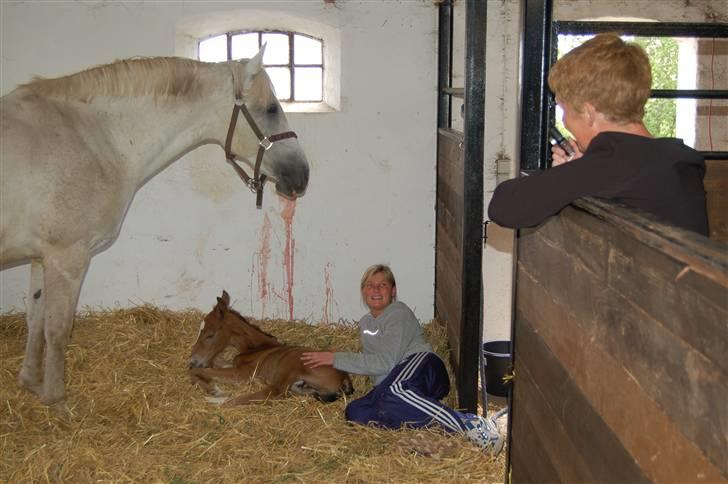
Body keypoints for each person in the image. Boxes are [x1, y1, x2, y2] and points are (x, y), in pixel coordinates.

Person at [488, 33, 709, 236]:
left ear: (588, 112)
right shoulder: (671, 157)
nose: (564, 121)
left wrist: (574, 172)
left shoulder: (614, 163)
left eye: (564, 109)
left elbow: (505, 206)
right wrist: (582, 168)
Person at [301, 264, 503, 455]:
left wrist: (334, 358)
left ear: (393, 291)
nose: (376, 290)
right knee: (356, 412)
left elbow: (386, 362)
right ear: (363, 291)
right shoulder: (365, 323)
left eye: (383, 285)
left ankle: (469, 424)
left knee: (395, 391)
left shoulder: (398, 313)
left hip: (423, 366)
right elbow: (373, 362)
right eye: (370, 285)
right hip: (393, 384)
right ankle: (430, 427)